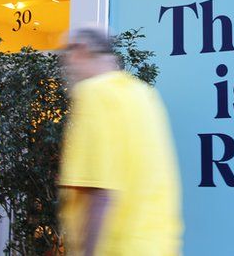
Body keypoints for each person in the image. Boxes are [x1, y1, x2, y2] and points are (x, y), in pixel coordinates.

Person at [59, 27, 182, 256]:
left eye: (66, 55)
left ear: (82, 50)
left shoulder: (94, 93)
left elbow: (98, 192)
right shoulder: (143, 94)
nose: (67, 66)